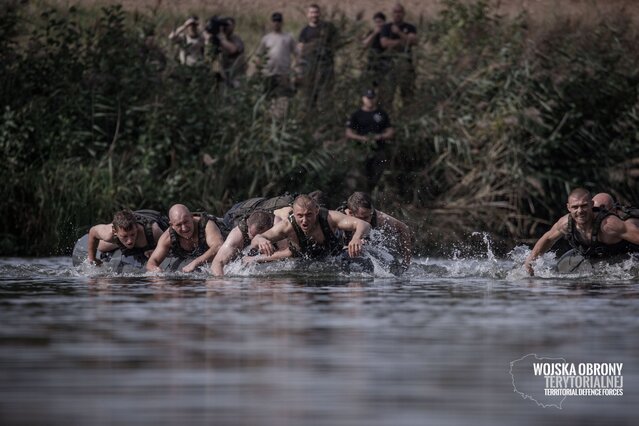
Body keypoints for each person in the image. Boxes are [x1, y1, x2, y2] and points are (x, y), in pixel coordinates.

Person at [524, 188, 639, 275]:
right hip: (592, 255)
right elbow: (548, 238)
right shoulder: (565, 223)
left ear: (592, 205)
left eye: (584, 206)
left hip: (626, 253)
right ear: (569, 208)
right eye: (575, 207)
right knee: (560, 270)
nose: (580, 211)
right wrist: (530, 262)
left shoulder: (609, 225)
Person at [251, 194, 370, 260]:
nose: (304, 220)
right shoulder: (287, 226)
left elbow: (364, 224)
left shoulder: (330, 217)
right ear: (293, 213)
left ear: (316, 211)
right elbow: (256, 239)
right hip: (300, 265)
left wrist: (356, 238)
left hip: (335, 259)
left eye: (309, 215)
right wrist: (261, 240)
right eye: (300, 216)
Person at [343, 191, 412, 273]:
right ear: (351, 213)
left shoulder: (378, 217)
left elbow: (404, 228)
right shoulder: (339, 219)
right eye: (363, 218)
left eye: (369, 216)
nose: (367, 221)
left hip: (370, 254)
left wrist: (406, 262)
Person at [146, 204, 228, 273]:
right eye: (178, 225)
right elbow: (152, 262)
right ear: (172, 225)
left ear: (192, 217)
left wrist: (195, 263)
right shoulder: (168, 236)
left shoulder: (207, 225)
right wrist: (156, 271)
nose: (184, 228)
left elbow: (218, 246)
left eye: (186, 222)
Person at [212, 210, 291, 276]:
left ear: (268, 229)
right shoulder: (238, 232)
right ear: (248, 226)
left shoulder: (277, 225)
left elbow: (288, 253)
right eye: (251, 235)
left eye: (256, 236)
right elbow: (217, 262)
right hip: (232, 214)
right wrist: (221, 283)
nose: (254, 239)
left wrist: (255, 259)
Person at [345, 88, 395, 190]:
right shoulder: (357, 114)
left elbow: (390, 131)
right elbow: (349, 133)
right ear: (363, 98)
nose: (370, 100)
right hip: (361, 150)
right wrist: (362, 138)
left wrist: (379, 137)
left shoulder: (381, 113)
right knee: (360, 176)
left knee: (378, 176)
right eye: (368, 98)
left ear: (375, 99)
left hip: (379, 150)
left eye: (372, 98)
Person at [87, 209, 168, 266]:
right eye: (125, 236)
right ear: (115, 232)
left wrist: (155, 249)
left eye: (132, 235)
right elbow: (93, 231)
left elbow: (168, 244)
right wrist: (92, 258)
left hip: (153, 218)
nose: (129, 241)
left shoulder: (153, 231)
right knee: (101, 247)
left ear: (136, 228)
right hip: (118, 235)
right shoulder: (108, 234)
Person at [255, 12, 298, 118]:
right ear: (271, 23)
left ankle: (280, 121)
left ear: (282, 23)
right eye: (274, 21)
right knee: (268, 99)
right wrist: (258, 71)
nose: (276, 23)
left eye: (278, 21)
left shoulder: (288, 37)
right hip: (268, 74)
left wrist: (294, 68)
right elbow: (259, 56)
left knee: (283, 100)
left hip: (283, 74)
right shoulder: (266, 38)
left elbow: (297, 54)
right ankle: (268, 121)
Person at [297, 4, 338, 110]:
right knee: (309, 96)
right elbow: (300, 49)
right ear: (307, 15)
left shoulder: (328, 27)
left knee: (326, 95)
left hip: (325, 68)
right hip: (309, 69)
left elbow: (336, 43)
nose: (314, 15)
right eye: (311, 12)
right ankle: (311, 119)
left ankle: (327, 119)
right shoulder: (305, 31)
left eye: (316, 12)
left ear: (319, 13)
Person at [379, 3, 417, 107]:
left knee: (407, 95)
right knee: (387, 95)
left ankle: (408, 117)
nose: (397, 14)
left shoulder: (410, 27)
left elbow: (413, 41)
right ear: (392, 14)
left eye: (399, 12)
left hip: (406, 66)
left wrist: (399, 32)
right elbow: (384, 43)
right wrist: (401, 42)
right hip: (389, 65)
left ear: (404, 13)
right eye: (395, 12)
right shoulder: (386, 27)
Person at [205, 16, 246, 87]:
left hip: (235, 76)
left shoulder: (236, 39)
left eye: (228, 25)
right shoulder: (215, 38)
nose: (226, 28)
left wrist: (221, 37)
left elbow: (233, 50)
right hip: (222, 74)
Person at [361, 12, 388, 89]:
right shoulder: (372, 32)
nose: (378, 24)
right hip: (373, 61)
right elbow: (365, 44)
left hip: (384, 61)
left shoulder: (387, 32)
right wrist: (374, 34)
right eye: (376, 22)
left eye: (380, 22)